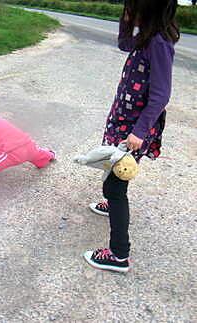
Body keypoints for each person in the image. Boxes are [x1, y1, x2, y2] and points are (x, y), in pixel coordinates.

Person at [84, 0, 179, 273]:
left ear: (148, 9)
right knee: (112, 169)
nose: (127, 13)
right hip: (122, 121)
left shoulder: (160, 43)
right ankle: (110, 201)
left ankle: (118, 255)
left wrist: (140, 131)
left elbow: (161, 94)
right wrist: (126, 21)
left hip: (134, 127)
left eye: (131, 8)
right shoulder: (145, 36)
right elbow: (124, 44)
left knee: (116, 185)